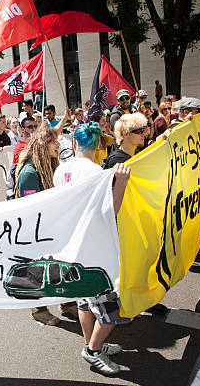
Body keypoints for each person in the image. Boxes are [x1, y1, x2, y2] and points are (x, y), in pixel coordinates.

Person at [53, 122, 132, 375]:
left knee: (85, 300)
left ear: (74, 143)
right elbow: (110, 212)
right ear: (98, 145)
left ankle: (91, 343)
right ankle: (94, 351)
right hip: (93, 247)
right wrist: (120, 182)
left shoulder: (61, 170)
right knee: (111, 307)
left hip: (72, 245)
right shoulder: (96, 172)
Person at [14, 126, 78, 325]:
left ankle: (67, 303)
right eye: (54, 141)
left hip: (53, 226)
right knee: (39, 270)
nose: (58, 144)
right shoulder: (29, 173)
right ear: (43, 145)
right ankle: (38, 309)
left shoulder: (49, 165)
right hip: (38, 231)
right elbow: (30, 208)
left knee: (61, 266)